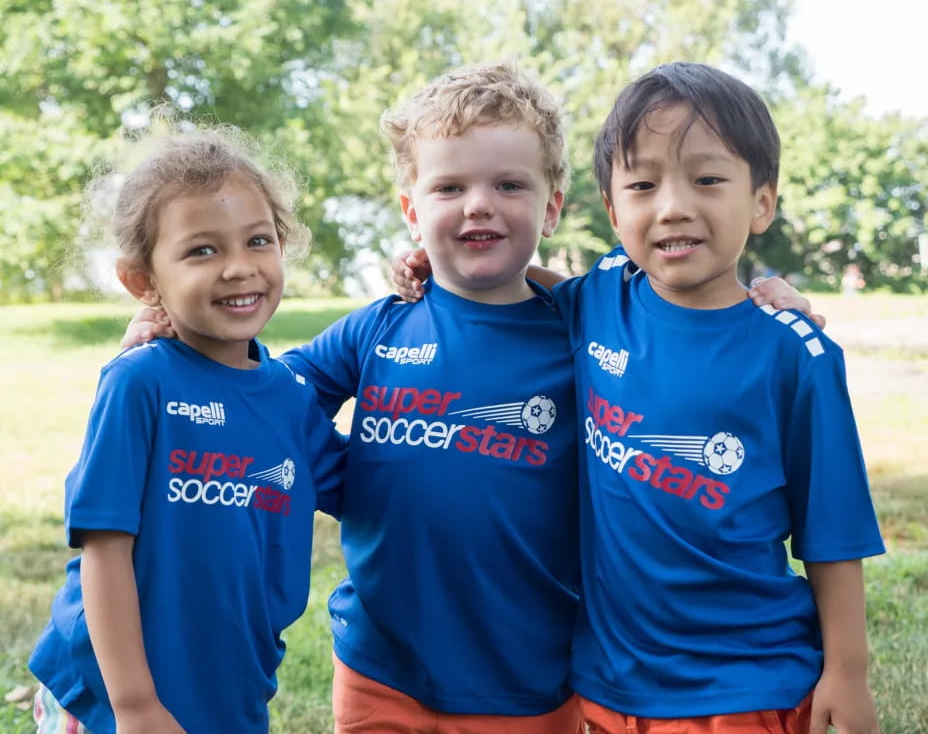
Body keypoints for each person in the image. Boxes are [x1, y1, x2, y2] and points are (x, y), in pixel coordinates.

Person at [120, 63, 818, 733]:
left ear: (552, 207)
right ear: (411, 210)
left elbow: (681, 343)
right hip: (378, 666)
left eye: (508, 185)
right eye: (449, 188)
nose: (478, 204)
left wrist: (761, 309)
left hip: (528, 677)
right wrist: (175, 338)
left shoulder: (582, 330)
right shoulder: (381, 322)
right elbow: (265, 393)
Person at [552, 63, 883, 734]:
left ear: (762, 202)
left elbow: (832, 529)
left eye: (707, 179)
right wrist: (428, 271)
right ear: (614, 212)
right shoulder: (597, 299)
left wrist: (848, 674)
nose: (672, 206)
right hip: (605, 682)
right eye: (643, 185)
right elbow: (507, 293)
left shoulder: (795, 353)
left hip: (744, 687)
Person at [29, 127, 346, 734]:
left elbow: (379, 488)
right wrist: (135, 706)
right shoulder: (139, 382)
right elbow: (104, 549)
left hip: (230, 691)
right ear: (143, 281)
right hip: (109, 697)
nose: (238, 268)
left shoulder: (287, 399)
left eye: (258, 241)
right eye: (202, 250)